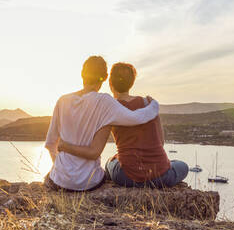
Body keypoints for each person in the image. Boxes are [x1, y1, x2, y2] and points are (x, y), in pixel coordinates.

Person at [58, 62, 188, 188]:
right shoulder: (149, 103)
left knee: (110, 162)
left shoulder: (108, 109)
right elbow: (161, 142)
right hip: (160, 176)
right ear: (131, 83)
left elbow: (95, 148)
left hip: (127, 177)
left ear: (110, 83)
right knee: (182, 165)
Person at [44, 56, 160, 192]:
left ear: (82, 74)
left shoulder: (62, 101)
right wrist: (154, 105)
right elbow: (135, 118)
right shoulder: (104, 101)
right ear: (105, 78)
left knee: (48, 177)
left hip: (60, 180)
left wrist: (64, 172)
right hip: (89, 182)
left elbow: (51, 143)